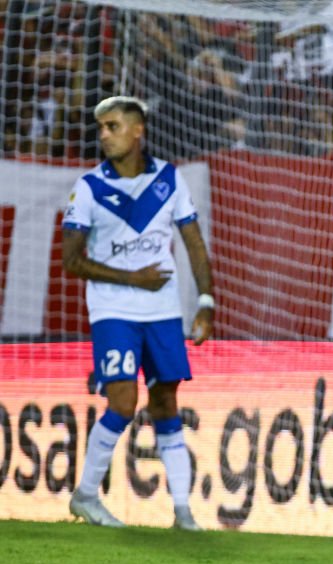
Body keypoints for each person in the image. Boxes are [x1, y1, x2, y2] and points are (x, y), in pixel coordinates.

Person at [62, 96, 214, 532]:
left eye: (111, 126)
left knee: (166, 399)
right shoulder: (88, 187)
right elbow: (71, 260)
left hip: (163, 310)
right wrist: (132, 279)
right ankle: (87, 495)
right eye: (101, 128)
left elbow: (193, 243)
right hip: (113, 310)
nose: (103, 134)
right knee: (124, 401)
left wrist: (205, 301)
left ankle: (183, 510)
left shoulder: (169, 179)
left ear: (136, 131)